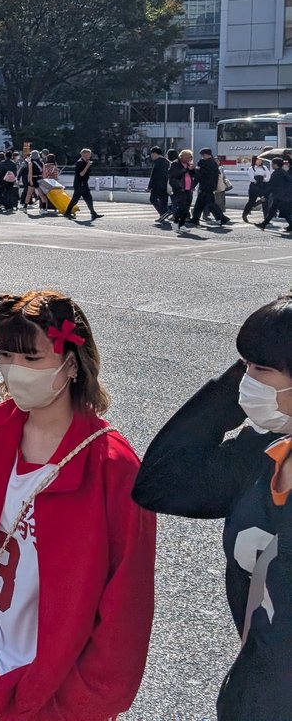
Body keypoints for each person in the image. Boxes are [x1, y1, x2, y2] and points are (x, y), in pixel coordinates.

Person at [0, 290, 156, 720]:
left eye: (32, 360)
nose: (16, 372)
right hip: (3, 631)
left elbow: (129, 589)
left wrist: (94, 689)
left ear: (73, 362)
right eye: (6, 357)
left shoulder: (113, 464)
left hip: (65, 661)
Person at [133, 295, 292, 720]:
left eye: (260, 369)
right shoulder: (261, 451)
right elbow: (161, 484)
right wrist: (233, 392)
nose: (246, 380)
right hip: (253, 694)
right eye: (242, 366)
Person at [191, 147, 232, 227]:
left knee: (209, 204)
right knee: (201, 203)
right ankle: (195, 219)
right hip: (211, 186)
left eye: (202, 155)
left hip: (205, 186)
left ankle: (222, 218)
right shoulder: (213, 163)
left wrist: (196, 171)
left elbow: (199, 175)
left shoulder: (203, 163)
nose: (202, 156)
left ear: (205, 154)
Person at [63, 147, 102, 221]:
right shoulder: (79, 162)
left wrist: (88, 165)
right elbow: (81, 174)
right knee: (75, 199)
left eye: (90, 155)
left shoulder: (86, 162)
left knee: (89, 198)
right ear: (83, 154)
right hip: (79, 184)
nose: (89, 156)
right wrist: (87, 166)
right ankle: (67, 212)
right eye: (88, 155)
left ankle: (93, 213)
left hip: (84, 183)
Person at [170, 149, 197, 231]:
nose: (189, 159)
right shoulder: (175, 164)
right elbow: (175, 175)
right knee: (182, 207)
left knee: (187, 207)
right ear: (181, 157)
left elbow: (193, 175)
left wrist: (193, 170)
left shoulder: (188, 164)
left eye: (190, 157)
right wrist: (187, 169)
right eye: (187, 157)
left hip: (188, 188)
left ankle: (179, 224)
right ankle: (177, 223)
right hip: (180, 189)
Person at [147, 146, 171, 223]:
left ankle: (163, 213)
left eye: (152, 154)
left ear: (155, 153)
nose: (151, 156)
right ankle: (164, 214)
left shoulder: (158, 162)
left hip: (157, 185)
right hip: (166, 185)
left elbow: (154, 175)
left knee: (153, 199)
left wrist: (150, 187)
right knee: (163, 201)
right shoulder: (167, 161)